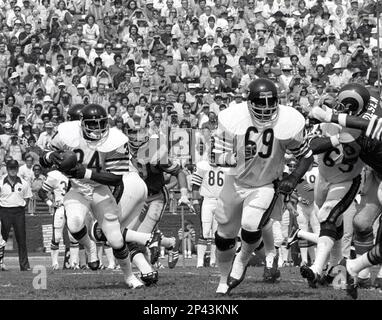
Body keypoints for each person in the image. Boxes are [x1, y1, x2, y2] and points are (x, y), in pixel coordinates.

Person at [39, 104, 160, 289]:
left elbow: (115, 178)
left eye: (100, 124)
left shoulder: (115, 140)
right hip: (78, 188)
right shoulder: (67, 133)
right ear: (82, 123)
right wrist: (51, 157)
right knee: (74, 223)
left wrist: (85, 173)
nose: (97, 129)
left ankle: (129, 276)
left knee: (116, 239)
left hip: (100, 188)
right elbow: (44, 157)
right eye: (92, 124)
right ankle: (90, 247)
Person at [212, 78, 313, 295]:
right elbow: (216, 156)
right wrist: (238, 156)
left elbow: (306, 156)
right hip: (235, 181)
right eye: (260, 105)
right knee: (224, 236)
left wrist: (293, 178)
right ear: (248, 103)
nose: (266, 111)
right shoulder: (232, 119)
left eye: (271, 104)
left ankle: (242, 260)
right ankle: (222, 279)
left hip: (265, 184)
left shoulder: (286, 121)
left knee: (251, 224)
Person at [38, 169, 80, 270]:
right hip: (60, 208)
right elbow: (41, 192)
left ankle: (74, 264)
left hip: (73, 208)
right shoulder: (55, 175)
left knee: (74, 237)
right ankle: (55, 264)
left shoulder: (77, 173)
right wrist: (50, 204)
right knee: (56, 238)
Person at [192, 159, 229, 268]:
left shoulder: (227, 167)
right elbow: (195, 185)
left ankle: (213, 261)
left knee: (216, 233)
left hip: (221, 201)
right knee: (205, 231)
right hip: (207, 200)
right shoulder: (203, 166)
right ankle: (199, 262)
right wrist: (195, 200)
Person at [0, 160, 33, 271]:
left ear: (18, 169)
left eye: (14, 168)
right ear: (7, 169)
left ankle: (24, 265)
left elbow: (27, 198)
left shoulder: (24, 183)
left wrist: (21, 207)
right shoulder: (1, 182)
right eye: (10, 168)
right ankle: (0, 263)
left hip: (19, 212)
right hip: (4, 211)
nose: (12, 170)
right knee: (1, 239)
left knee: (21, 239)